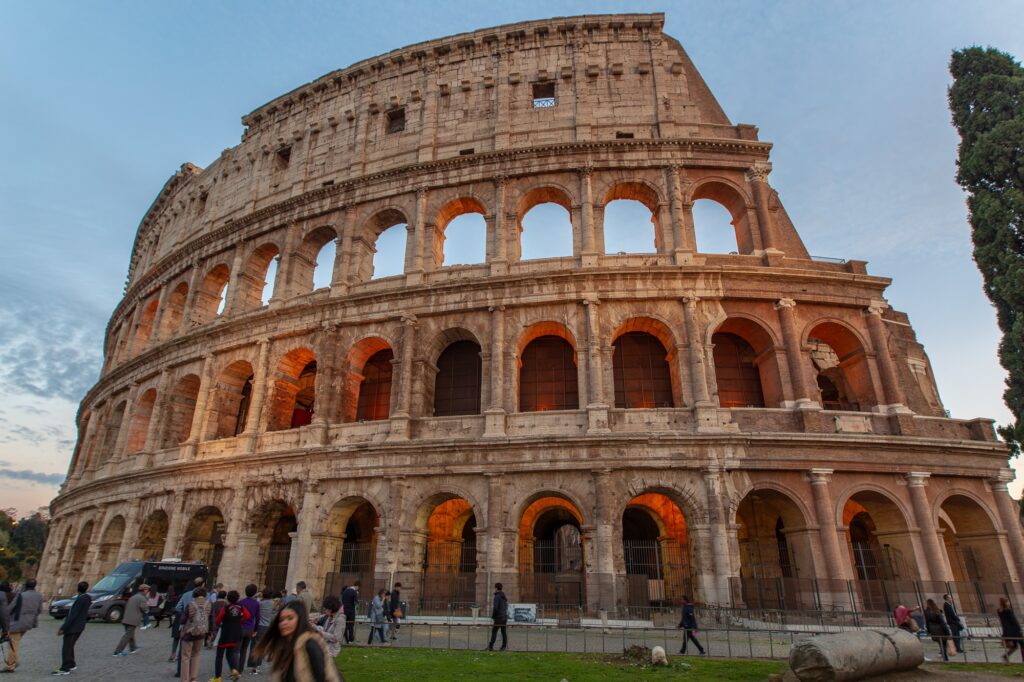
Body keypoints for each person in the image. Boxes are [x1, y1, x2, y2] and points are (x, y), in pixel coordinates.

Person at [251, 600, 341, 682]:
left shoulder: (310, 644)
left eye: (290, 618)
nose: (284, 623)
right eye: (281, 620)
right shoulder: (283, 647)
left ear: (300, 620)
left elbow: (323, 677)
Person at [53, 581, 91, 676]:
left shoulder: (80, 599)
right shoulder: (87, 598)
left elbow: (73, 615)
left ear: (77, 588)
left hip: (73, 627)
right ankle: (71, 663)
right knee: (70, 645)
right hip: (80, 626)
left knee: (66, 647)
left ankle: (65, 668)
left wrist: (63, 628)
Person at [4, 578, 43, 673]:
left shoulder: (21, 595)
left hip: (17, 623)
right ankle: (12, 662)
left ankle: (11, 665)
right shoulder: (39, 595)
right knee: (15, 642)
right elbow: (39, 610)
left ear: (26, 585)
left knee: (13, 644)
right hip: (29, 623)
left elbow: (10, 608)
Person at [213, 590, 251, 682]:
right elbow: (248, 616)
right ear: (238, 598)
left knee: (219, 656)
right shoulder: (241, 607)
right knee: (230, 654)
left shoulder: (226, 608)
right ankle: (234, 669)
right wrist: (239, 621)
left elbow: (218, 620)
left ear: (228, 598)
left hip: (226, 633)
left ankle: (218, 677)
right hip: (236, 633)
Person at [179, 587, 211, 682]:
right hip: (201, 632)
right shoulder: (209, 604)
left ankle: (185, 679)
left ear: (194, 595)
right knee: (196, 654)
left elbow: (183, 619)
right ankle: (193, 678)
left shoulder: (190, 604)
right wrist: (211, 632)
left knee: (185, 656)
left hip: (189, 632)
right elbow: (211, 619)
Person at [113, 583, 149, 656]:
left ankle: (133, 648)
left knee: (130, 634)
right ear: (144, 590)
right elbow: (145, 609)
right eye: (147, 590)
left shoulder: (134, 596)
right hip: (133, 620)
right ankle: (118, 651)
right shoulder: (142, 598)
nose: (148, 591)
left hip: (126, 618)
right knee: (127, 636)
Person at [247, 588, 277, 675]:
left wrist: (257, 595)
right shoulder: (273, 604)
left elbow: (252, 600)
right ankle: (258, 666)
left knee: (254, 646)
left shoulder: (260, 603)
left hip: (258, 626)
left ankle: (254, 667)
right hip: (267, 627)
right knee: (262, 646)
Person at [238, 584, 261, 675]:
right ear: (255, 593)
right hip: (250, 628)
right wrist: (255, 630)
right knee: (244, 650)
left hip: (241, 627)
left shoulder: (241, 602)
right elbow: (258, 618)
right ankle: (240, 670)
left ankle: (236, 668)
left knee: (236, 650)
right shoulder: (256, 603)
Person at [998, 596, 1024, 662]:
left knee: (1015, 646)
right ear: (1006, 603)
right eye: (1008, 602)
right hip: (1015, 631)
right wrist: (1019, 628)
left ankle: (1005, 656)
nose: (1009, 603)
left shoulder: (1000, 611)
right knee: (1023, 645)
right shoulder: (1008, 611)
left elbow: (1003, 622)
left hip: (1008, 632)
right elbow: (1014, 621)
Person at [487, 582, 508, 651]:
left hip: (499, 617)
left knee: (494, 631)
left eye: (495, 588)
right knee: (503, 632)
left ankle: (491, 646)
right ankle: (504, 646)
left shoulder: (497, 596)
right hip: (504, 616)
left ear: (496, 588)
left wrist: (493, 617)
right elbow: (505, 607)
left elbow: (495, 608)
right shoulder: (503, 596)